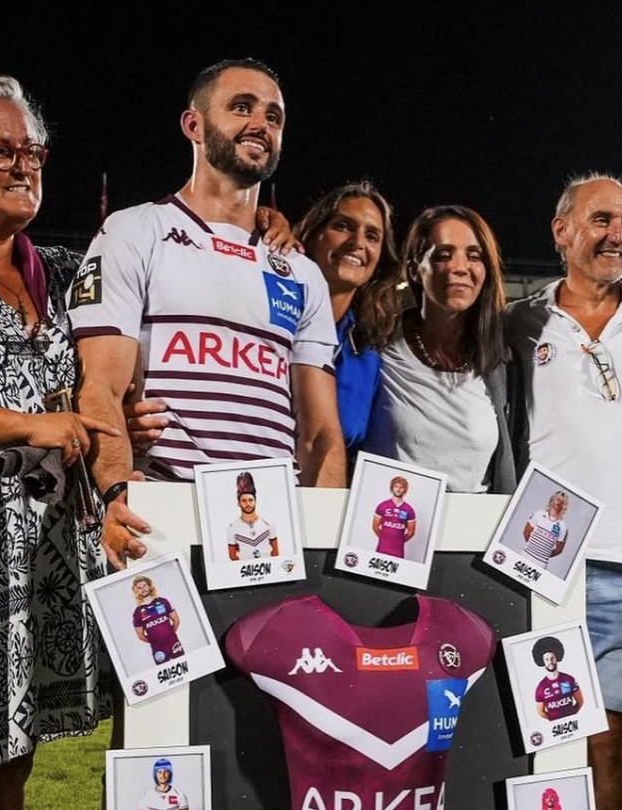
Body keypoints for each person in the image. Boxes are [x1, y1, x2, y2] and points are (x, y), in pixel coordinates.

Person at [0, 75, 121, 808]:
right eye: (0, 150)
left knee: (10, 769)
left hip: (37, 557)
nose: (23, 164)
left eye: (32, 149)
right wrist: (28, 424)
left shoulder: (65, 278)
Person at [70, 57, 345, 570]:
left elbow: (320, 432)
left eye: (274, 116)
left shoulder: (301, 273)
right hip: (165, 511)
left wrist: (326, 530)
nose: (260, 124)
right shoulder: (133, 232)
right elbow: (100, 387)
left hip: (274, 525)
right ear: (193, 125)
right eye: (241, 108)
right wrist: (114, 490)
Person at [507, 174, 622, 810]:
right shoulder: (518, 324)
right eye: (603, 219)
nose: (619, 235)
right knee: (526, 732)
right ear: (562, 231)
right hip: (536, 555)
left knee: (605, 740)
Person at [363, 205, 515, 493]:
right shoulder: (377, 342)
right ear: (415, 270)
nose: (460, 267)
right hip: (394, 529)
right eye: (444, 255)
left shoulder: (501, 360)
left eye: (474, 256)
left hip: (472, 533)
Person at [295, 181, 402, 454]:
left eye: (372, 236)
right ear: (312, 234)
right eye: (342, 226)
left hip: (327, 493)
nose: (357, 243)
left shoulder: (370, 354)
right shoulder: (269, 322)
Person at [131, 575, 184, 665]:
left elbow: (176, 620)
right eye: (139, 588)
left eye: (144, 585)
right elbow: (140, 635)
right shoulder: (137, 612)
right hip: (158, 649)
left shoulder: (163, 601)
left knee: (183, 667)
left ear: (149, 586)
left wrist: (171, 634)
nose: (143, 589)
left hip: (173, 643)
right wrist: (154, 641)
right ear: (136, 591)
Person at [227, 470, 278, 560]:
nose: (248, 503)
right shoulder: (232, 527)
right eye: (244, 501)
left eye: (250, 500)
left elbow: (275, 552)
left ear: (255, 501)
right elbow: (232, 556)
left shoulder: (268, 524)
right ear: (238, 503)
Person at [532, 636, 583, 720]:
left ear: (557, 658)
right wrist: (554, 719)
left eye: (552, 658)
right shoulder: (541, 688)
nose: (550, 662)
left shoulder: (568, 679)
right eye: (547, 659)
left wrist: (572, 715)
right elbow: (540, 712)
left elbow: (580, 701)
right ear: (543, 662)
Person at [372, 475, 417, 558]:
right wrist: (384, 538)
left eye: (401, 487)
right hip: (382, 549)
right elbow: (375, 526)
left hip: (398, 551)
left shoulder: (409, 509)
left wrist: (399, 541)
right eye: (396, 486)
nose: (398, 489)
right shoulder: (382, 506)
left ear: (405, 489)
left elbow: (411, 532)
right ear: (392, 487)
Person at [523, 491, 570, 568]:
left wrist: (543, 554)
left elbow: (559, 550)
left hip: (541, 563)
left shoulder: (563, 527)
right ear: (552, 499)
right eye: (558, 499)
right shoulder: (539, 514)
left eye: (563, 502)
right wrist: (533, 548)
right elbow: (526, 532)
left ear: (565, 506)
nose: (559, 503)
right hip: (525, 555)